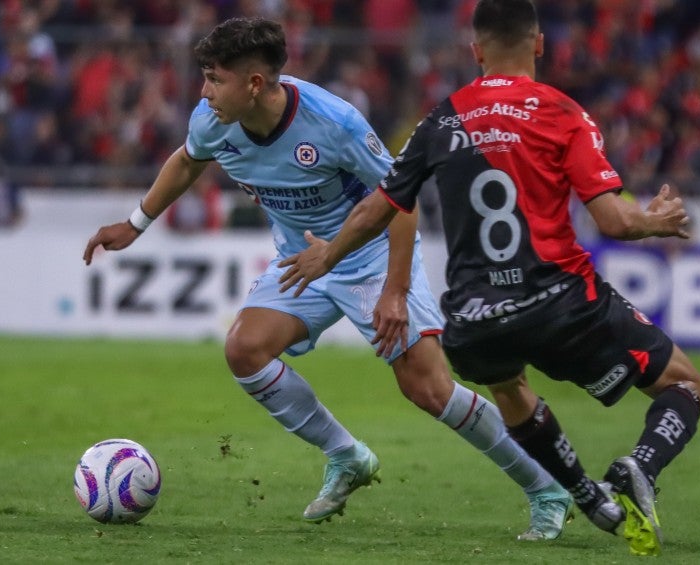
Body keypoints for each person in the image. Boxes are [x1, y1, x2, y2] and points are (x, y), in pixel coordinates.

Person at [82, 16, 576, 541]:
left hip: (369, 257)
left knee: (428, 389)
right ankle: (347, 456)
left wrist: (394, 291)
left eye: (215, 79)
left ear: (254, 83)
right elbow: (187, 161)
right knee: (245, 350)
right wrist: (135, 224)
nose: (204, 92)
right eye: (205, 77)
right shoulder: (214, 118)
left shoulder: (333, 123)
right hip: (302, 262)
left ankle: (547, 487)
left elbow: (401, 202)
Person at [278, 0, 700, 556]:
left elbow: (380, 207)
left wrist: (327, 255)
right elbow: (613, 220)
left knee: (506, 385)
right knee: (684, 385)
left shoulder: (440, 119)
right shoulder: (563, 112)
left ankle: (583, 495)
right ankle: (639, 467)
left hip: (476, 322)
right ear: (540, 44)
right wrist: (654, 221)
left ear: (475, 50)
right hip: (561, 303)